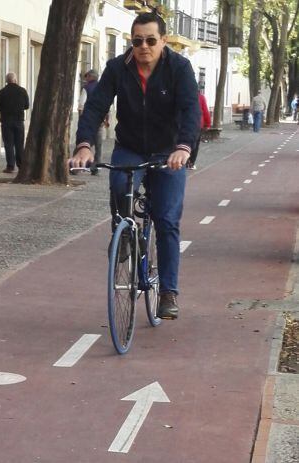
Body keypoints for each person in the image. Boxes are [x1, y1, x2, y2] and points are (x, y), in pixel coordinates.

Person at [70, 11, 201, 320]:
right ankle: (123, 231)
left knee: (167, 219)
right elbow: (95, 107)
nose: (144, 47)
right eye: (137, 41)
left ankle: (168, 291)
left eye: (151, 40)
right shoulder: (118, 68)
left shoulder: (179, 68)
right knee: (118, 184)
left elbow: (190, 110)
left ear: (163, 41)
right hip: (130, 147)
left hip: (168, 152)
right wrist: (84, 144)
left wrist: (184, 148)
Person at [0, 72, 30, 173]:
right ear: (16, 80)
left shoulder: (2, 92)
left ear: (6, 81)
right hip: (19, 121)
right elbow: (27, 105)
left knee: (8, 144)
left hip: (6, 122)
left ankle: (10, 166)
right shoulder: (22, 91)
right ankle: (21, 165)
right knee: (19, 144)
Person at [78, 69, 109, 175]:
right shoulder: (103, 88)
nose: (85, 78)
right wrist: (106, 119)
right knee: (99, 147)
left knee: (84, 144)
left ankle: (76, 166)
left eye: (86, 76)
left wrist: (81, 120)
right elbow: (107, 105)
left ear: (90, 77)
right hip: (100, 122)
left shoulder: (86, 88)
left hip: (88, 122)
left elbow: (81, 106)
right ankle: (96, 168)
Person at [186, 87, 211, 170]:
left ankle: (184, 161)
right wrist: (207, 124)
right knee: (195, 144)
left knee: (184, 142)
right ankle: (191, 163)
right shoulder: (200, 97)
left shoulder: (183, 94)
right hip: (197, 124)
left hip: (185, 123)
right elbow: (205, 111)